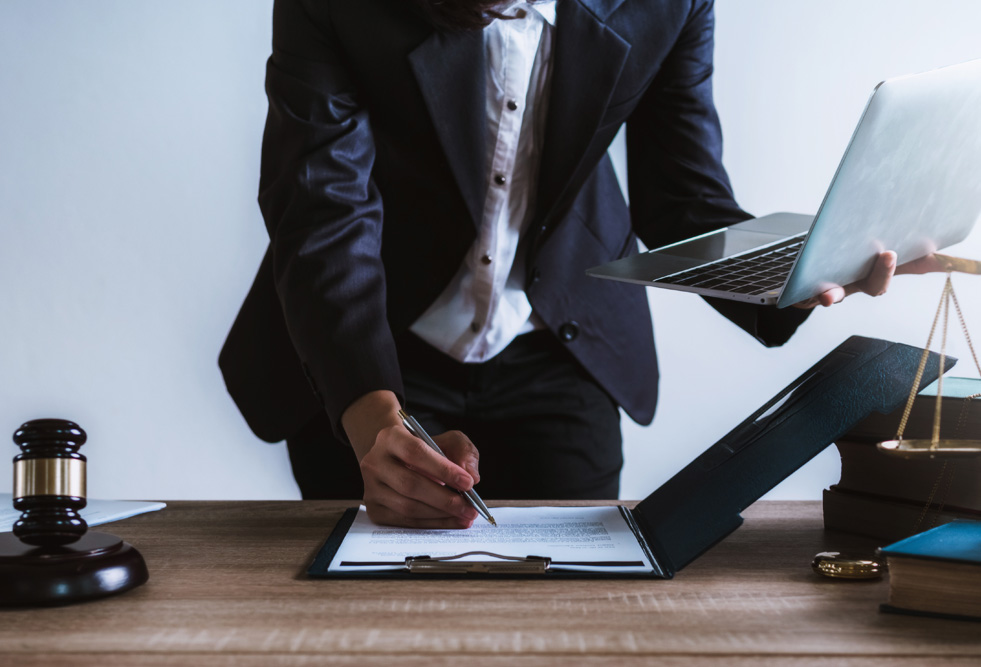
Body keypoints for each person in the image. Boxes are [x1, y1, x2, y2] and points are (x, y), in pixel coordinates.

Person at [219, 0, 936, 528]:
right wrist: (373, 419)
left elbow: (682, 199)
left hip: (561, 349)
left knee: (581, 597)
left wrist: (809, 266)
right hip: (366, 349)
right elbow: (323, 212)